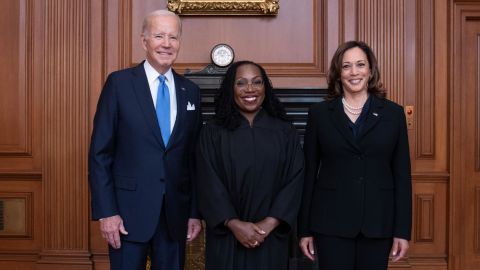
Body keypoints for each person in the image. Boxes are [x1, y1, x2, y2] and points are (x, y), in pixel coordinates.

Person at [88, 10, 202, 270]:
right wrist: (107, 212)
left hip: (175, 215)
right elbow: (100, 153)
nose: (166, 43)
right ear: (144, 41)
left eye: (173, 37)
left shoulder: (191, 91)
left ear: (180, 42)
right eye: (159, 35)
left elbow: (193, 159)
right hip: (127, 214)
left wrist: (195, 212)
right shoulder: (119, 84)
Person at [298, 40, 412, 270]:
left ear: (370, 71)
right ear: (338, 73)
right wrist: (304, 229)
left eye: (360, 65)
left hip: (378, 222)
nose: (354, 72)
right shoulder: (319, 114)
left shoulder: (393, 114)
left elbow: (402, 175)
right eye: (346, 66)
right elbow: (309, 173)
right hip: (330, 222)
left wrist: (402, 231)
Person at [196, 61, 304, 270]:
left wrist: (269, 224)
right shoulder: (213, 132)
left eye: (257, 82)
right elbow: (207, 181)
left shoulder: (284, 132)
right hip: (227, 238)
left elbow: (295, 179)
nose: (250, 89)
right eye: (241, 83)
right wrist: (233, 223)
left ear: (265, 87)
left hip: (270, 238)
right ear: (231, 89)